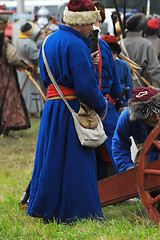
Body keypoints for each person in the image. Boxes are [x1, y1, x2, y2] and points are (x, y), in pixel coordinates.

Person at [27, 0, 107, 223]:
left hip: (54, 106)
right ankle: (78, 212)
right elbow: (85, 87)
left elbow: (47, 78)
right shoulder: (77, 44)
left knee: (51, 158)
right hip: (72, 106)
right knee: (76, 162)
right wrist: (102, 106)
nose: (93, 28)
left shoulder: (49, 40)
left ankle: (48, 208)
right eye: (90, 23)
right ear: (79, 22)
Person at [90, 1, 123, 180]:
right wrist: (119, 101)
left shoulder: (100, 45)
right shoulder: (101, 46)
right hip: (101, 103)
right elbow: (115, 82)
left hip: (89, 101)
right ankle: (117, 184)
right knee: (114, 144)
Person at [0, 14, 32, 136]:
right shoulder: (5, 41)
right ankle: (5, 129)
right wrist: (27, 66)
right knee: (7, 102)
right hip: (5, 77)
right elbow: (12, 59)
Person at [121, 13, 160, 91]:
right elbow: (154, 69)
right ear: (143, 28)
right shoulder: (146, 44)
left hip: (122, 87)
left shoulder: (120, 44)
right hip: (139, 87)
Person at [16, 22, 44, 116]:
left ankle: (23, 110)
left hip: (20, 70)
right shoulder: (29, 42)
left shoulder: (17, 40)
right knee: (31, 90)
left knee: (22, 90)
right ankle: (32, 111)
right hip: (30, 70)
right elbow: (36, 57)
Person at [101, 35, 133, 101]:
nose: (111, 56)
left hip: (121, 103)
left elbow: (129, 89)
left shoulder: (124, 65)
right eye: (108, 52)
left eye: (114, 53)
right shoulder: (97, 66)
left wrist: (130, 105)